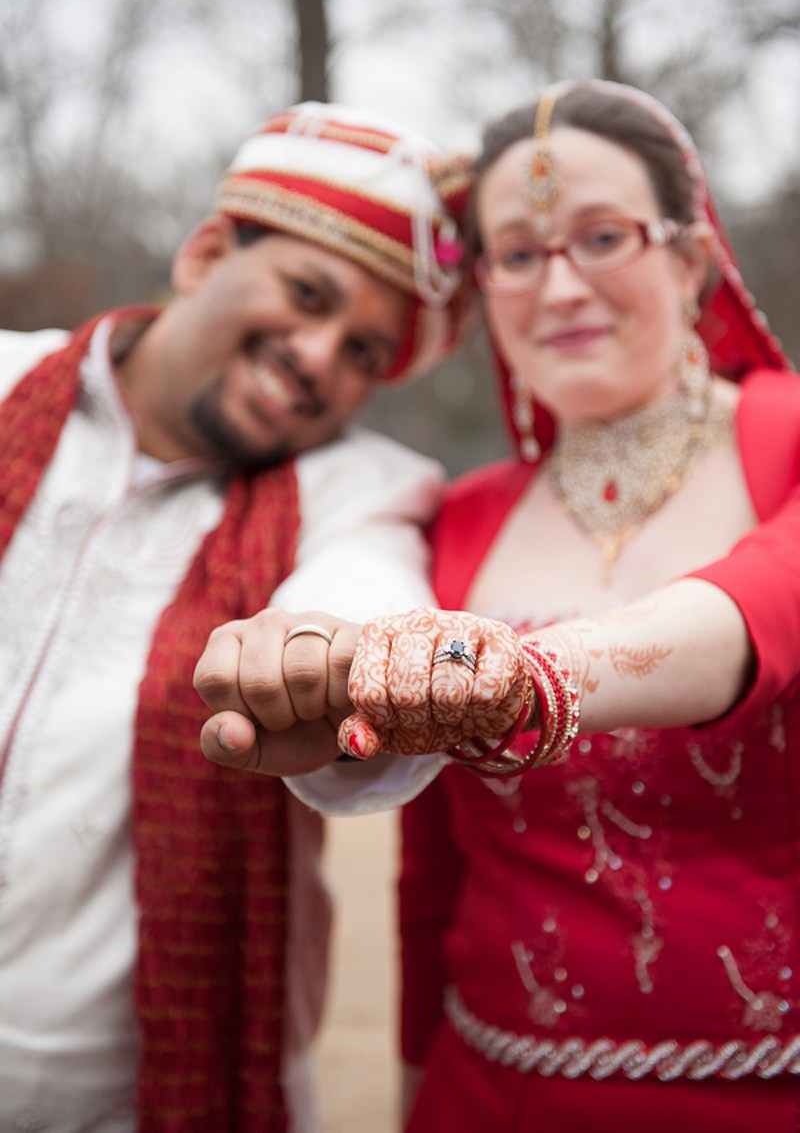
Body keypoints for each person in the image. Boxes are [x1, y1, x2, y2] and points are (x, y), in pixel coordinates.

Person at [196, 82, 800, 1132]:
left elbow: (765, 607)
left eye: (599, 237)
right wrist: (408, 1084)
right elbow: (429, 875)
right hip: (488, 1094)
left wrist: (530, 680)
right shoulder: (455, 518)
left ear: (692, 259)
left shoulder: (786, 447)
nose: (558, 287)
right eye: (517, 255)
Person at [0, 101, 472, 1132]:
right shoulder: (6, 383)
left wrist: (326, 660)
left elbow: (366, 605)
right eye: (307, 296)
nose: (318, 359)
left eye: (361, 353)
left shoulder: (357, 486)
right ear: (206, 250)